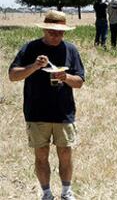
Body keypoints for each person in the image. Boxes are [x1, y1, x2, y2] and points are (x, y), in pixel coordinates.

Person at [8, 10, 85, 200]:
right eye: (52, 31)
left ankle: (66, 192)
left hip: (63, 112)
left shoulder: (71, 50)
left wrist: (65, 76)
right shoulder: (30, 48)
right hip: (37, 112)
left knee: (65, 153)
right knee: (41, 154)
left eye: (60, 32)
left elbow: (80, 82)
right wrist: (34, 66)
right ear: (44, 29)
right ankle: (46, 193)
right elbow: (13, 75)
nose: (56, 35)